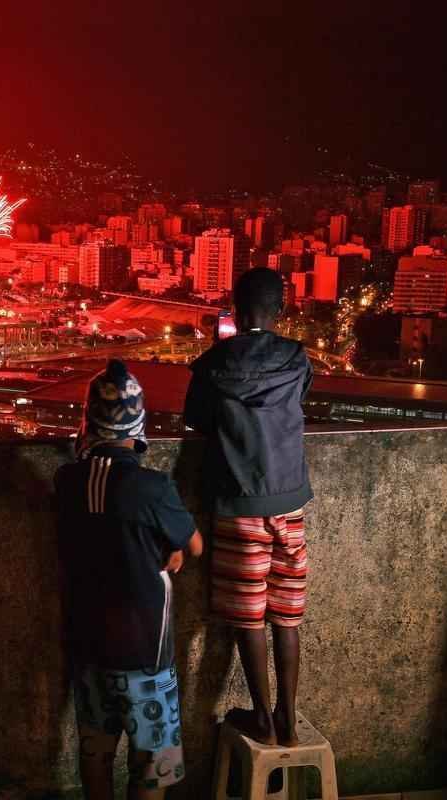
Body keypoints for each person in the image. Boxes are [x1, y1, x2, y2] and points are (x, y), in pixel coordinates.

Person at [56, 358, 204, 799]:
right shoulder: (152, 488)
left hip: (87, 645)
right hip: (144, 652)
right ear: (138, 427)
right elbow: (194, 545)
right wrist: (172, 549)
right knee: (150, 764)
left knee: (96, 752)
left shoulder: (67, 481)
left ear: (89, 424)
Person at [183, 267, 313, 747]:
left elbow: (196, 419)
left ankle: (261, 717)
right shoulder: (297, 359)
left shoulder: (214, 364)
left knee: (248, 613)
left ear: (236, 310)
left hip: (238, 502)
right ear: (281, 309)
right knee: (286, 613)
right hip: (291, 501)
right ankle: (290, 718)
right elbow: (299, 399)